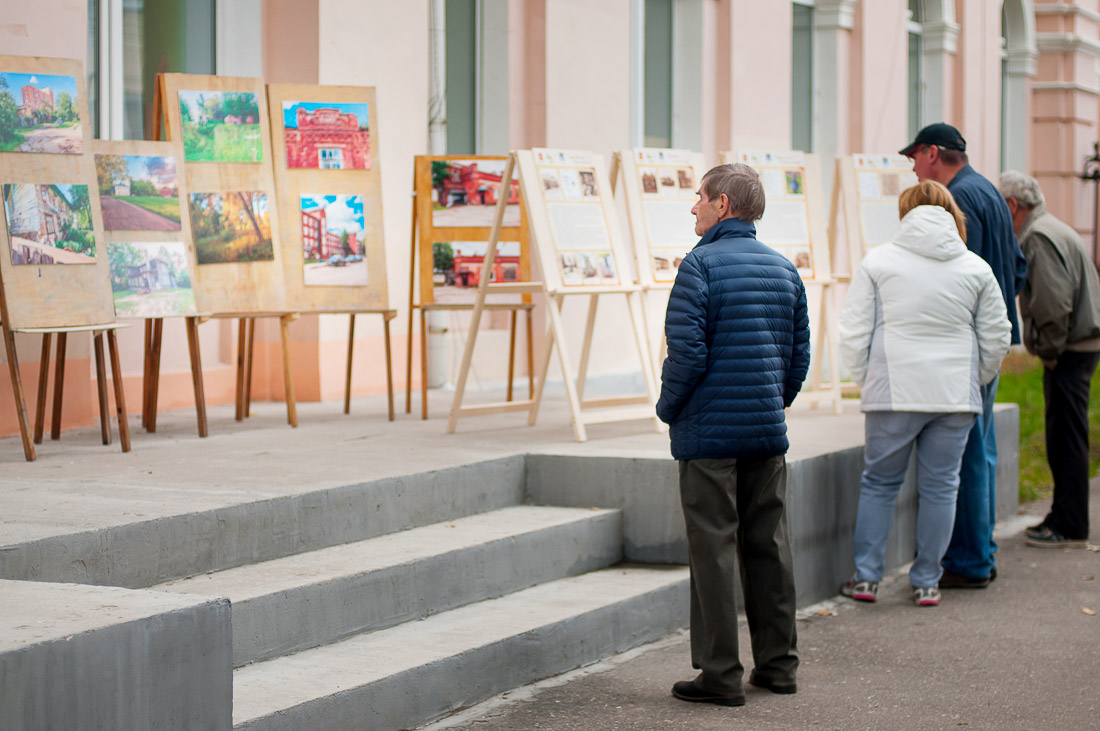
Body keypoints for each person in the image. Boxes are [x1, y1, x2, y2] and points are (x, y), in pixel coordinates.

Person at [657, 163, 810, 707]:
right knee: (769, 546)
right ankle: (779, 666)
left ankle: (720, 674)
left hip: (710, 436)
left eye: (699, 197)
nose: (692, 206)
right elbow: (798, 359)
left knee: (714, 550)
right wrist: (772, 405)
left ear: (722, 204)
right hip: (766, 434)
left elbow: (687, 355)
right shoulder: (784, 270)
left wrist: (667, 408)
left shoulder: (698, 267)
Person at [838, 181, 1011, 607]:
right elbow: (997, 337)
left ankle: (866, 578)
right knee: (941, 489)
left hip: (893, 391)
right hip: (954, 396)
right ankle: (928, 581)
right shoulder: (975, 267)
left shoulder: (878, 261)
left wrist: (868, 378)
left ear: (904, 213)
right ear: (953, 214)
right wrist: (976, 378)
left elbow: (853, 332)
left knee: (879, 483)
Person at [900, 123, 1027, 588]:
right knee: (981, 449)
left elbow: (954, 279)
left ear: (933, 153)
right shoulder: (989, 191)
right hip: (986, 342)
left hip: (964, 348)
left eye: (914, 156)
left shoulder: (960, 198)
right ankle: (982, 551)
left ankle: (970, 561)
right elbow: (1017, 267)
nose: (912, 167)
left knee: (965, 454)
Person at [999, 171, 1100, 548]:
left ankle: (1070, 523)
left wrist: (1051, 351)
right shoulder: (1052, 227)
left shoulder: (1038, 236)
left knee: (1066, 438)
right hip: (1077, 345)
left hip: (1070, 350)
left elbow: (1053, 303)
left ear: (1012, 205)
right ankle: (1063, 516)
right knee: (1065, 435)